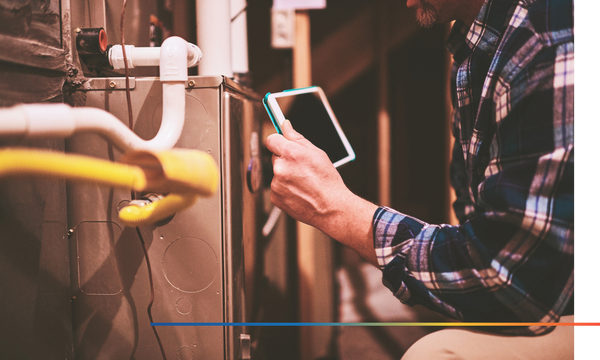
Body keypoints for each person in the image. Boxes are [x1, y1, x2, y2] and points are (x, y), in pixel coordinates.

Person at [266, 0, 576, 358]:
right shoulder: (476, 44)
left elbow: (512, 278)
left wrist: (337, 210)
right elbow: (474, 212)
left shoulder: (548, 46)